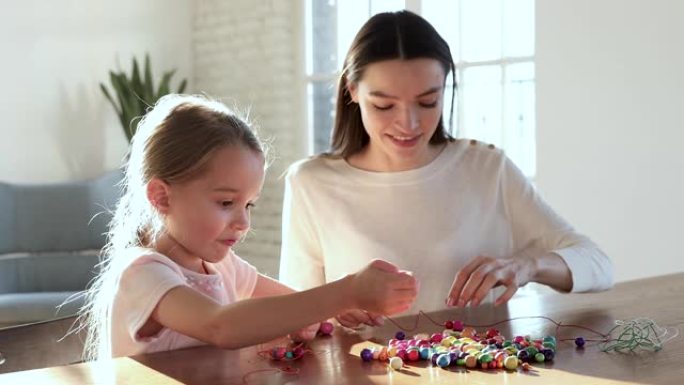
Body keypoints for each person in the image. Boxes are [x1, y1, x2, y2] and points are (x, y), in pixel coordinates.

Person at [279, 10, 613, 328]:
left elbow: (598, 266)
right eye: (384, 105)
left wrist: (529, 265)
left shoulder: (487, 168)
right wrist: (334, 309)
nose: (408, 123)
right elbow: (293, 315)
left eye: (427, 102)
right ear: (352, 91)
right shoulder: (311, 183)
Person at [78, 94, 418, 360]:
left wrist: (335, 309)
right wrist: (346, 291)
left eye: (248, 204)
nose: (243, 222)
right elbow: (221, 326)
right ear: (162, 197)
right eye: (226, 203)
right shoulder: (143, 274)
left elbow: (289, 306)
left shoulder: (220, 265)